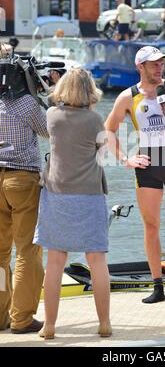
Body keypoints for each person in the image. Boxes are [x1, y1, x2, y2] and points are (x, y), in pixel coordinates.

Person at [33, 69, 111, 339]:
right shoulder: (95, 120)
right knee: (97, 260)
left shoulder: (53, 117)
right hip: (89, 195)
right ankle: (104, 323)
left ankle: (50, 325)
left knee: (54, 262)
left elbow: (53, 105)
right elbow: (103, 155)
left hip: (57, 195)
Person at [105, 46, 165, 304]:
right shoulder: (127, 97)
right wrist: (125, 159)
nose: (159, 67)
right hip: (147, 167)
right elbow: (108, 131)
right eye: (153, 64)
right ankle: (158, 286)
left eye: (161, 62)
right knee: (151, 226)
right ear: (140, 66)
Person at [0, 44, 48, 333]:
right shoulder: (27, 105)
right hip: (23, 179)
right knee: (27, 252)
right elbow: (48, 130)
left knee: (0, 255)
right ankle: (22, 318)